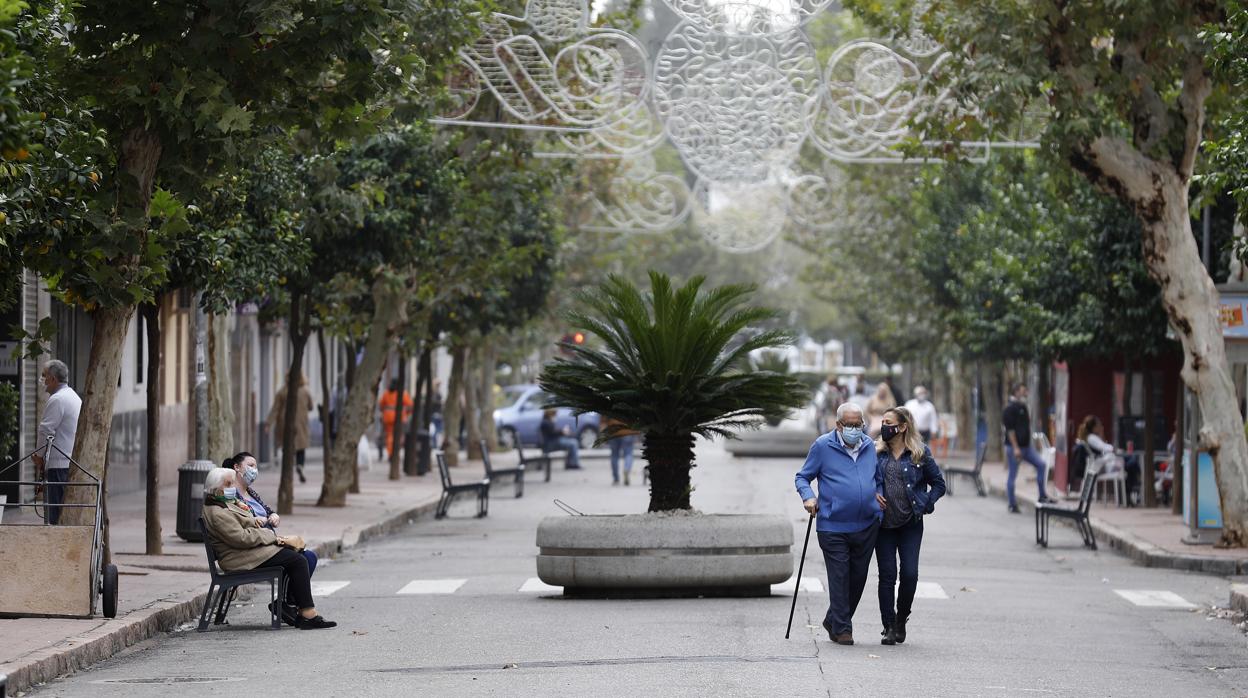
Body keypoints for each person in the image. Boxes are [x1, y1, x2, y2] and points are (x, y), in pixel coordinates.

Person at [201, 467, 336, 629]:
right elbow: (241, 538)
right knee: (298, 560)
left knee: (302, 555)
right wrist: (270, 537)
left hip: (247, 552)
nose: (233, 489)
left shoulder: (223, 503)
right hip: (239, 557)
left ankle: (293, 608)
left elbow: (241, 524)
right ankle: (308, 614)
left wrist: (254, 521)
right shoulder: (217, 512)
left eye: (232, 484)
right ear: (216, 489)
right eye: (228, 484)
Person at [795, 402, 885, 646]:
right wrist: (808, 497)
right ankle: (843, 628)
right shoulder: (823, 446)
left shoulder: (868, 445)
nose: (855, 429)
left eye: (859, 424)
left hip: (866, 524)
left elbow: (877, 478)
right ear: (838, 425)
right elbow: (803, 477)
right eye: (850, 425)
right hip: (833, 525)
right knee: (839, 576)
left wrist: (878, 493)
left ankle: (833, 619)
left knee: (858, 579)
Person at [874, 407, 945, 646]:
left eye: (889, 422)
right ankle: (889, 626)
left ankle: (902, 618)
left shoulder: (919, 453)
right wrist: (874, 493)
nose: (884, 426)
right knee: (887, 576)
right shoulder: (875, 453)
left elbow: (938, 484)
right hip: (883, 525)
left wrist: (926, 502)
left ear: (903, 427)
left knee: (910, 574)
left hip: (910, 524)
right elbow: (863, 481)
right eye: (882, 421)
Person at [225, 452, 318, 576]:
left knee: (310, 557)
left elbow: (267, 511)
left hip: (269, 542)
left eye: (256, 467)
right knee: (300, 561)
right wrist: (258, 521)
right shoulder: (232, 495)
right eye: (251, 465)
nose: (254, 470)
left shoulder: (251, 492)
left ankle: (290, 595)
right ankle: (293, 595)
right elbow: (241, 523)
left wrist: (274, 516)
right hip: (257, 548)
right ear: (237, 467)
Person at [33, 360, 81, 525]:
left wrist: (39, 456)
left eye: (44, 376)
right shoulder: (73, 396)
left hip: (58, 466)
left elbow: (45, 430)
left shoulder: (58, 400)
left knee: (54, 516)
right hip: (67, 463)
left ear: (53, 379)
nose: (42, 380)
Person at [1002, 383, 1055, 513]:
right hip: (1014, 447)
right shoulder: (1009, 409)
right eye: (1023, 391)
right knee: (1013, 474)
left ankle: (1042, 495)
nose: (1025, 393)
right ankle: (1012, 503)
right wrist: (1015, 448)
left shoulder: (1023, 407)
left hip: (1027, 447)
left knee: (1041, 465)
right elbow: (1010, 430)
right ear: (1016, 392)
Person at [1077, 415, 1141, 506]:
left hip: (1103, 465)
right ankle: (1133, 489)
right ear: (1094, 427)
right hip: (1103, 466)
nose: (1101, 427)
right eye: (1099, 425)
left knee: (1131, 463)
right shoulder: (1091, 437)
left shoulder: (1093, 437)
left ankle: (1130, 491)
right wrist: (1114, 449)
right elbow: (1104, 448)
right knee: (1132, 463)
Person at [266, 374, 314, 484]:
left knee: (287, 447)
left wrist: (269, 423)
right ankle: (300, 465)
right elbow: (311, 407)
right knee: (301, 448)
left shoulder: (283, 391)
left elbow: (275, 408)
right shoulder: (305, 391)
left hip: (285, 423)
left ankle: (288, 469)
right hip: (301, 424)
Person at [378, 379, 413, 461]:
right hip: (399, 418)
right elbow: (410, 405)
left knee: (389, 436)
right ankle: (394, 453)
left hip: (387, 418)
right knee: (398, 436)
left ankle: (390, 453)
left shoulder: (386, 393)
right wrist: (406, 414)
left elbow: (381, 406)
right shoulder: (402, 394)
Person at [605, 417, 637, 485]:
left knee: (614, 455)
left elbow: (604, 417)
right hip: (627, 430)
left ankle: (616, 478)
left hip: (613, 430)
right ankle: (626, 469)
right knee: (628, 453)